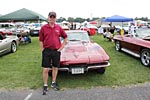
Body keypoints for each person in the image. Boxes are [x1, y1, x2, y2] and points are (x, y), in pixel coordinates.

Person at [39, 11, 67, 95]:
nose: (52, 19)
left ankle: (53, 82)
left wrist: (61, 48)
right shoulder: (44, 28)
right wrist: (42, 49)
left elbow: (65, 37)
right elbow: (41, 40)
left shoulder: (58, 28)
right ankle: (45, 85)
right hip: (47, 50)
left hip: (56, 51)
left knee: (55, 67)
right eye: (50, 17)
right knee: (45, 69)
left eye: (53, 17)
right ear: (48, 18)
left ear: (55, 18)